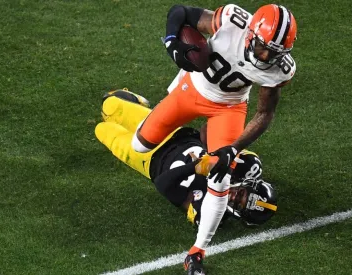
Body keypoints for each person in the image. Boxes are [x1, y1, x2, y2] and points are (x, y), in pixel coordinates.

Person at [130, 4, 297, 274]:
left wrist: (233, 149)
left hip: (228, 108)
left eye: (275, 52)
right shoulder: (232, 20)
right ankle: (139, 106)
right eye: (264, 46)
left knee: (221, 178)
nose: (266, 55)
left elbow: (264, 114)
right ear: (251, 32)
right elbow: (179, 12)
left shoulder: (281, 69)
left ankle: (196, 253)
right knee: (139, 145)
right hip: (193, 87)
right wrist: (172, 40)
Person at [95, 89, 278, 228]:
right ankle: (139, 104)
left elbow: (162, 184)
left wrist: (196, 168)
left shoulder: (210, 213)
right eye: (242, 194)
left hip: (149, 161)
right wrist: (212, 154)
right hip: (174, 134)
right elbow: (208, 129)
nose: (234, 196)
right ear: (249, 183)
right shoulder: (246, 166)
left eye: (238, 204)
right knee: (109, 105)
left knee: (102, 130)